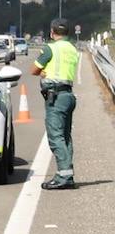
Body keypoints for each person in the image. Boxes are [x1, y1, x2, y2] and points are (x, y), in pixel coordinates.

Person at [31, 18, 79, 190]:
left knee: (55, 137)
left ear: (52, 32)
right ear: (67, 32)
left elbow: (33, 70)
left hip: (56, 97)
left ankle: (64, 175)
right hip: (68, 95)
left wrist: (44, 73)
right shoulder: (73, 49)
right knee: (65, 137)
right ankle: (66, 174)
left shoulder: (50, 48)